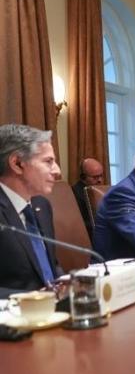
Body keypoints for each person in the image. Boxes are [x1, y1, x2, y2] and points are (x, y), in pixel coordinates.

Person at [0, 124, 62, 297]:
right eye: (48, 161)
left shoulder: (42, 206)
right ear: (17, 164)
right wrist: (33, 300)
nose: (57, 171)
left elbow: (50, 268)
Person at [71, 157, 104, 240]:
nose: (100, 180)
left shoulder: (101, 191)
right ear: (83, 177)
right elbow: (80, 223)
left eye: (101, 176)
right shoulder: (74, 193)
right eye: (95, 177)